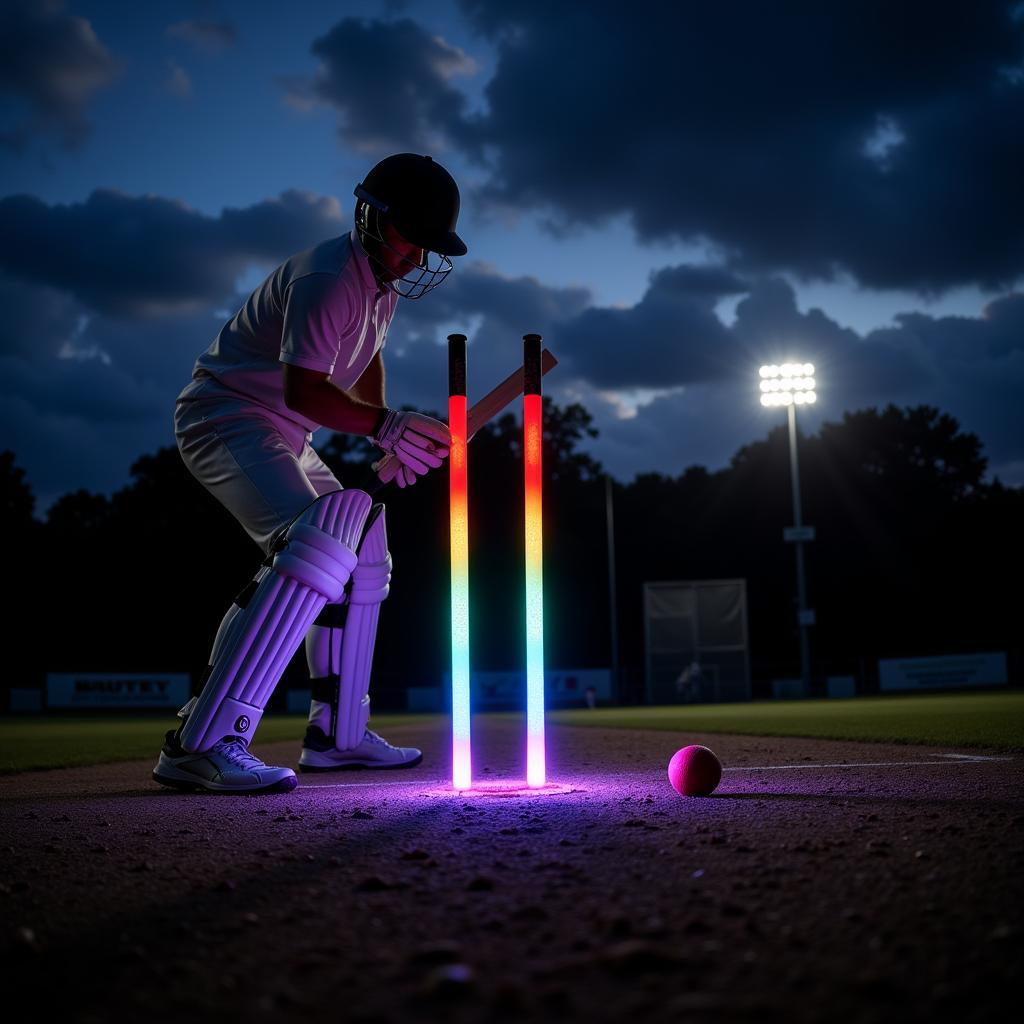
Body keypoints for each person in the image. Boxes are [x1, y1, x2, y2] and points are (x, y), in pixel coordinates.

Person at [152, 153, 467, 794]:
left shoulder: (379, 286)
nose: (416, 259)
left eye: (428, 248)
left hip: (283, 431)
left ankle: (338, 736)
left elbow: (365, 368)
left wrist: (385, 427)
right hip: (226, 417)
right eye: (412, 239)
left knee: (365, 541)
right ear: (370, 216)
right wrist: (384, 428)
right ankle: (201, 741)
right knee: (318, 540)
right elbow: (301, 389)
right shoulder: (328, 278)